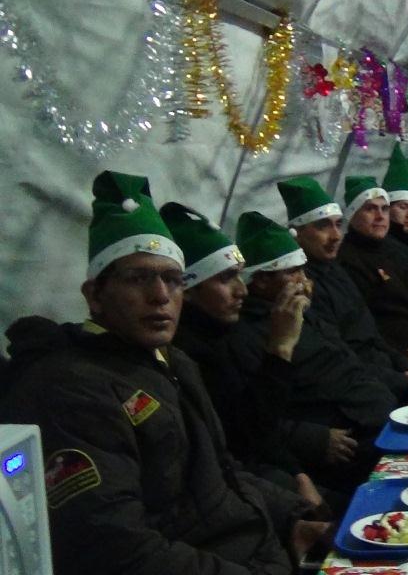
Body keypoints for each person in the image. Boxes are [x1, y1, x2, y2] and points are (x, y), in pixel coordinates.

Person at [1, 171, 327, 574]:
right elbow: (117, 551)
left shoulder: (167, 361)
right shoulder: (70, 390)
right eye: (138, 278)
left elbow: (224, 473)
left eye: (172, 279)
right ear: (95, 296)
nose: (160, 295)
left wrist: (294, 518)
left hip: (259, 548)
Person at [162, 201, 329, 506]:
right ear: (187, 289)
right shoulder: (188, 353)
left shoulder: (222, 332)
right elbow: (245, 436)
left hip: (278, 472)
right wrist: (280, 349)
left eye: (240, 276)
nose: (243, 290)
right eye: (226, 279)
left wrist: (298, 474)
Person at [229, 210, 399, 506]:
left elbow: (350, 358)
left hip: (380, 413)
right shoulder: (246, 335)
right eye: (292, 273)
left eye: (303, 271)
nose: (304, 281)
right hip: (349, 441)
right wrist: (312, 439)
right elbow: (250, 418)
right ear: (260, 282)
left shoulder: (303, 310)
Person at [276, 175, 408, 382]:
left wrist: (401, 362)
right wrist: (399, 379)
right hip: (366, 380)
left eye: (338, 225)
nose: (336, 235)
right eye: (323, 226)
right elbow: (342, 355)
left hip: (383, 366)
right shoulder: (303, 286)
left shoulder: (334, 268)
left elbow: (369, 332)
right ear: (298, 234)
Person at [336, 176, 408, 357]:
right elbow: (364, 324)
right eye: (370, 209)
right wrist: (402, 354)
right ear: (352, 216)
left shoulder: (392, 250)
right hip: (400, 355)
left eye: (384, 209)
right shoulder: (347, 260)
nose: (380, 216)